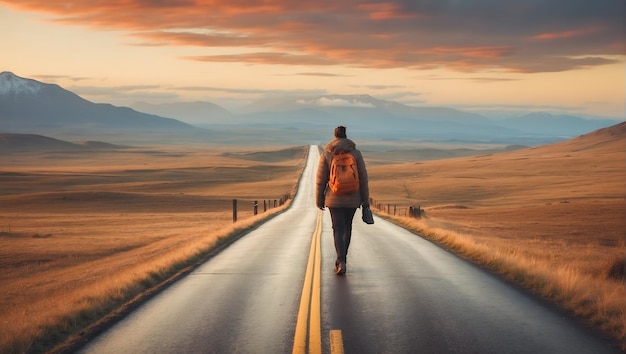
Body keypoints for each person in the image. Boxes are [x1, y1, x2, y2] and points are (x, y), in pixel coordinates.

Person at [316, 126, 370, 275]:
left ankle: (340, 261)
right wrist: (365, 201)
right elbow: (363, 179)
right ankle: (343, 259)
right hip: (353, 197)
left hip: (334, 198)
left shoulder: (327, 154)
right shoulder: (356, 154)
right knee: (347, 227)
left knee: (337, 229)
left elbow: (320, 180)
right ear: (346, 136)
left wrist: (319, 199)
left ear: (334, 136)